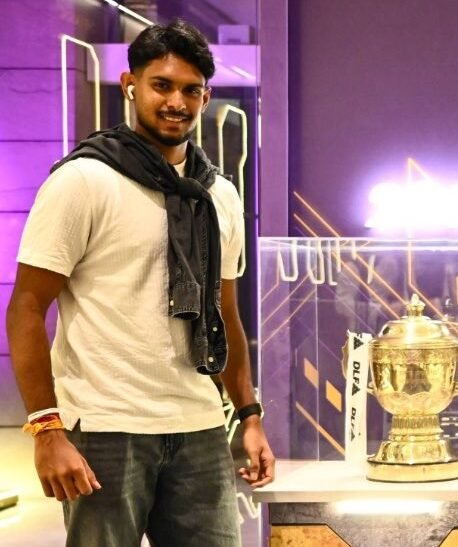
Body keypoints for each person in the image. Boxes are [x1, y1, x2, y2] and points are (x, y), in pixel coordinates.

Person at [5, 20, 274, 547]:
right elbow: (27, 307)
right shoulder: (83, 181)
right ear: (131, 85)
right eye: (162, 85)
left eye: (190, 90)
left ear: (206, 97)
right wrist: (46, 429)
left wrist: (249, 416)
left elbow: (225, 316)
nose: (176, 102)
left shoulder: (218, 195)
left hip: (198, 424)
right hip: (105, 426)